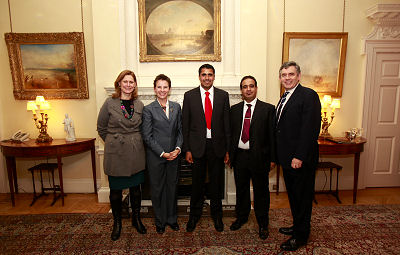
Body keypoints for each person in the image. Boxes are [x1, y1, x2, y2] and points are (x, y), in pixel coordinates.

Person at [275, 61, 321, 251]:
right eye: (284, 75)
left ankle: (300, 237)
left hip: (299, 160)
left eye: (291, 74)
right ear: (280, 78)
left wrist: (299, 156)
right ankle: (297, 226)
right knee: (294, 196)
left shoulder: (308, 95)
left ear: (299, 76)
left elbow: (309, 130)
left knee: (302, 198)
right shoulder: (285, 96)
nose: (287, 78)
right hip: (287, 159)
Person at [97, 70, 147, 241]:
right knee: (116, 192)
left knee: (136, 191)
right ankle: (117, 223)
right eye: (125, 81)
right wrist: (113, 142)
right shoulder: (109, 103)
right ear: (119, 83)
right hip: (116, 154)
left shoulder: (139, 104)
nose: (128, 85)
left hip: (136, 153)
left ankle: (136, 219)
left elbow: (143, 128)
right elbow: (101, 128)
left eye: (131, 82)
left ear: (134, 85)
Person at [182, 63, 230, 232]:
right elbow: (185, 125)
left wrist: (227, 150)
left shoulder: (223, 96)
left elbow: (227, 125)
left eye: (210, 74)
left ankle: (217, 216)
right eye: (204, 74)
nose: (207, 77)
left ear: (214, 77)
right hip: (196, 147)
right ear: (199, 77)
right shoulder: (189, 96)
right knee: (197, 185)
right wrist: (187, 149)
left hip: (217, 147)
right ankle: (194, 216)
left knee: (216, 185)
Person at [229, 75, 276, 240]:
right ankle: (241, 217)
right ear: (241, 90)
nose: (248, 89)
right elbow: (230, 135)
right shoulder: (234, 110)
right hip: (240, 157)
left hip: (259, 158)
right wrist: (229, 153)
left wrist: (273, 158)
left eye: (251, 86)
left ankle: (263, 223)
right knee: (241, 190)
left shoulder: (268, 109)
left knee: (261, 192)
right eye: (244, 86)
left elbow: (272, 136)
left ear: (256, 88)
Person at [141, 74, 183, 234]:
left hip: (174, 156)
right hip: (156, 157)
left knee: (172, 188)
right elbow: (147, 136)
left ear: (169, 89)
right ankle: (160, 221)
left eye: (165, 87)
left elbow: (180, 131)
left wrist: (178, 149)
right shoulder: (148, 109)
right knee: (157, 190)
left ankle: (172, 219)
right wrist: (163, 153)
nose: (162, 90)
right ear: (154, 89)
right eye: (159, 87)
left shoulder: (176, 107)